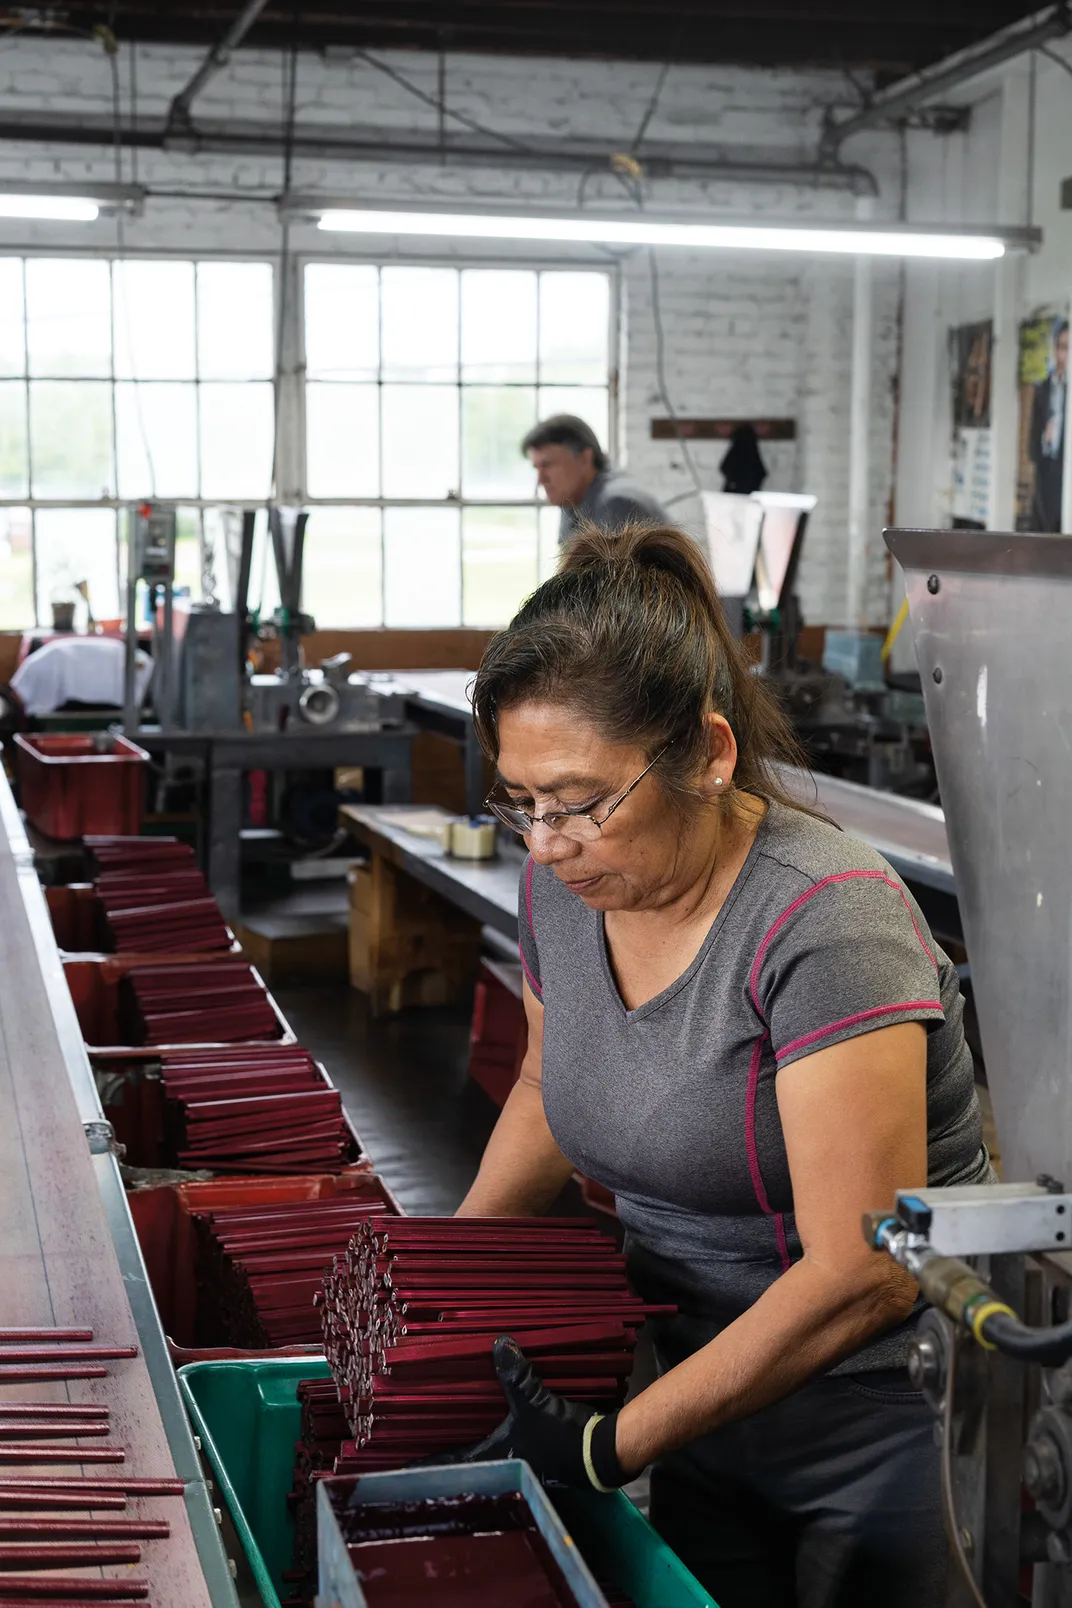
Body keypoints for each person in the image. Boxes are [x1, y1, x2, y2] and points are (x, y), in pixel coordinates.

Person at [454, 521, 992, 1608]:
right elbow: (547, 1090)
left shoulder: (823, 923)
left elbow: (865, 1271)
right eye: (522, 804)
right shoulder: (565, 886)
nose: (547, 843)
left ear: (706, 754)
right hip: (694, 1377)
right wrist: (433, 1285)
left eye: (581, 801)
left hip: (878, 1407)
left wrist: (612, 1446)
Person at [522, 414, 669, 544]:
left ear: (585, 458)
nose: (540, 480)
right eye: (536, 468)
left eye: (547, 465)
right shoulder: (570, 497)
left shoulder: (617, 505)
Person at [1029, 318, 1068, 532]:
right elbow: (1032, 446)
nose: (1064, 356)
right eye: (1061, 347)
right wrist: (1046, 439)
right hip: (1047, 476)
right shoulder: (1042, 390)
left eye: (1068, 349)